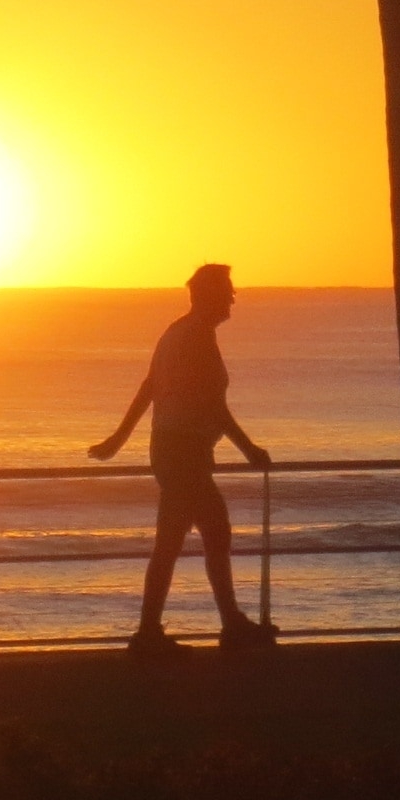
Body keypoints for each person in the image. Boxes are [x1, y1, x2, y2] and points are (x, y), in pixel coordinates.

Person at [89, 262, 276, 654]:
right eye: (227, 290)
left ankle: (172, 630)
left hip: (174, 450)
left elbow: (149, 387)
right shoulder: (194, 338)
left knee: (185, 537)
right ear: (209, 295)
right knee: (203, 534)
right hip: (183, 452)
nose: (233, 297)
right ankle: (198, 629)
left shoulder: (179, 332)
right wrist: (250, 450)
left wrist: (118, 440)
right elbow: (214, 406)